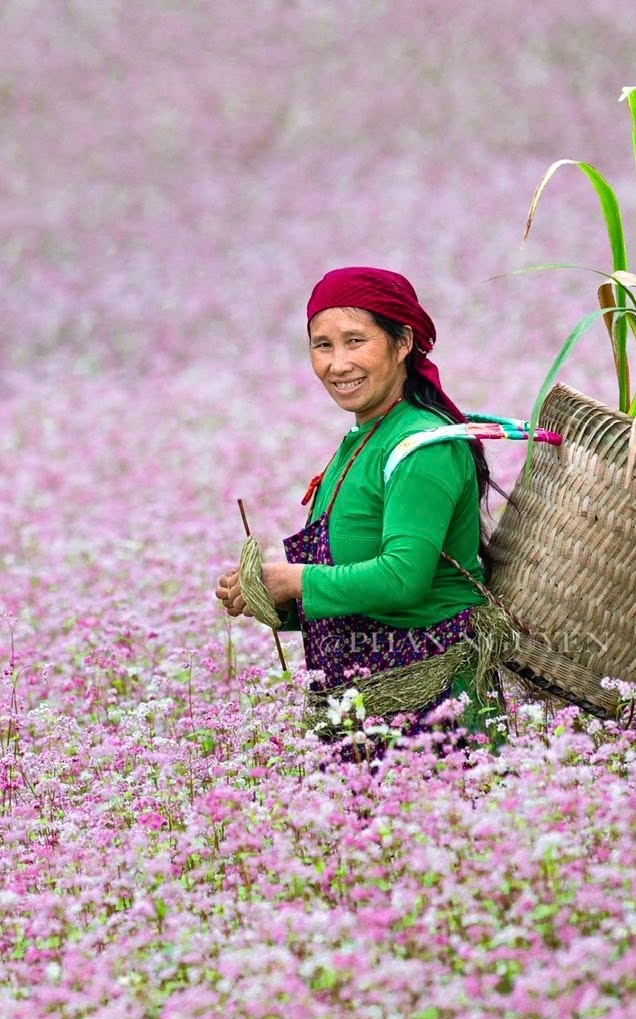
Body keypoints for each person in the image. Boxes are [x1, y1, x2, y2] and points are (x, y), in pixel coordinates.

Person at [216, 266, 514, 757]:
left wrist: (296, 580)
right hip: (361, 710)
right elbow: (350, 581)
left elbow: (403, 579)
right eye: (322, 345)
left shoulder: (422, 446)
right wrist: (272, 598)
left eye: (355, 341)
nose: (338, 364)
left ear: (403, 344)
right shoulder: (362, 440)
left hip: (433, 708)